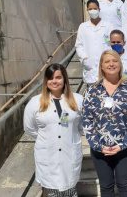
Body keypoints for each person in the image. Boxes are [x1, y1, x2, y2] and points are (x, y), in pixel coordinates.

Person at [82, 50, 127, 197]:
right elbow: (87, 120)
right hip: (100, 150)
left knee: (124, 186)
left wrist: (123, 144)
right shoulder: (92, 91)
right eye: (107, 61)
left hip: (125, 149)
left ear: (120, 65)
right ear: (101, 66)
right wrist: (98, 145)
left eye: (114, 61)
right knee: (106, 188)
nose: (111, 64)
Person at [24, 63, 83, 197]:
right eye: (50, 78)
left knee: (70, 191)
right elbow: (29, 128)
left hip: (70, 154)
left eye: (58, 77)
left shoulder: (78, 100)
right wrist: (47, 139)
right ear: (46, 81)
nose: (54, 81)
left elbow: (82, 126)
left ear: (65, 79)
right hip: (47, 156)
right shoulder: (35, 102)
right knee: (51, 192)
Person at [75, 0, 114, 85]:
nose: (93, 11)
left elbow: (112, 44)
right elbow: (79, 45)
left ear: (99, 9)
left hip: (106, 66)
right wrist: (84, 59)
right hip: (90, 68)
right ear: (87, 10)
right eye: (90, 9)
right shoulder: (83, 27)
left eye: (95, 8)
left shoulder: (108, 26)